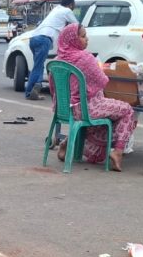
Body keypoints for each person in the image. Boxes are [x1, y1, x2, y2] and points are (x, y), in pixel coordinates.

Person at [54, 23, 136, 171]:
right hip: (85, 109)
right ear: (73, 39)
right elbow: (102, 81)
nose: (87, 39)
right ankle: (118, 152)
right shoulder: (85, 58)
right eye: (83, 36)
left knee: (103, 116)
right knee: (127, 110)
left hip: (64, 109)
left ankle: (67, 143)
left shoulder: (57, 60)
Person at [25, 0, 79, 101]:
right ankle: (30, 92)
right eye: (74, 6)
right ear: (71, 5)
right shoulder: (67, 11)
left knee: (38, 65)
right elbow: (76, 25)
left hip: (34, 38)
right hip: (44, 39)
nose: (74, 8)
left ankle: (35, 88)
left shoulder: (56, 9)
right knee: (38, 66)